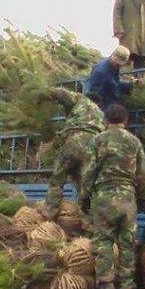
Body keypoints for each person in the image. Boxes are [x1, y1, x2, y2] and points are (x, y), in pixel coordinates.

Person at [79, 104, 145, 289]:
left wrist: (84, 197)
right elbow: (142, 174)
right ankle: (126, 285)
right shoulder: (135, 142)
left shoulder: (97, 140)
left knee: (103, 241)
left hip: (104, 197)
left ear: (106, 120)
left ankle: (106, 285)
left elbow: (89, 171)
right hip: (127, 198)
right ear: (126, 121)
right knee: (127, 241)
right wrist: (141, 198)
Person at [37, 87, 105, 217]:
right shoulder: (102, 114)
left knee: (58, 179)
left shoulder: (81, 99)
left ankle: (50, 213)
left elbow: (62, 93)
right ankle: (87, 221)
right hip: (93, 148)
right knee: (85, 186)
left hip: (75, 141)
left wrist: (44, 93)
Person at [87, 45, 136, 111]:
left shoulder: (113, 68)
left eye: (121, 65)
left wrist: (132, 85)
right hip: (106, 110)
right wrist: (105, 116)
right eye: (118, 64)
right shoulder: (100, 72)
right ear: (113, 57)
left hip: (113, 106)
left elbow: (115, 85)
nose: (119, 66)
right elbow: (95, 97)